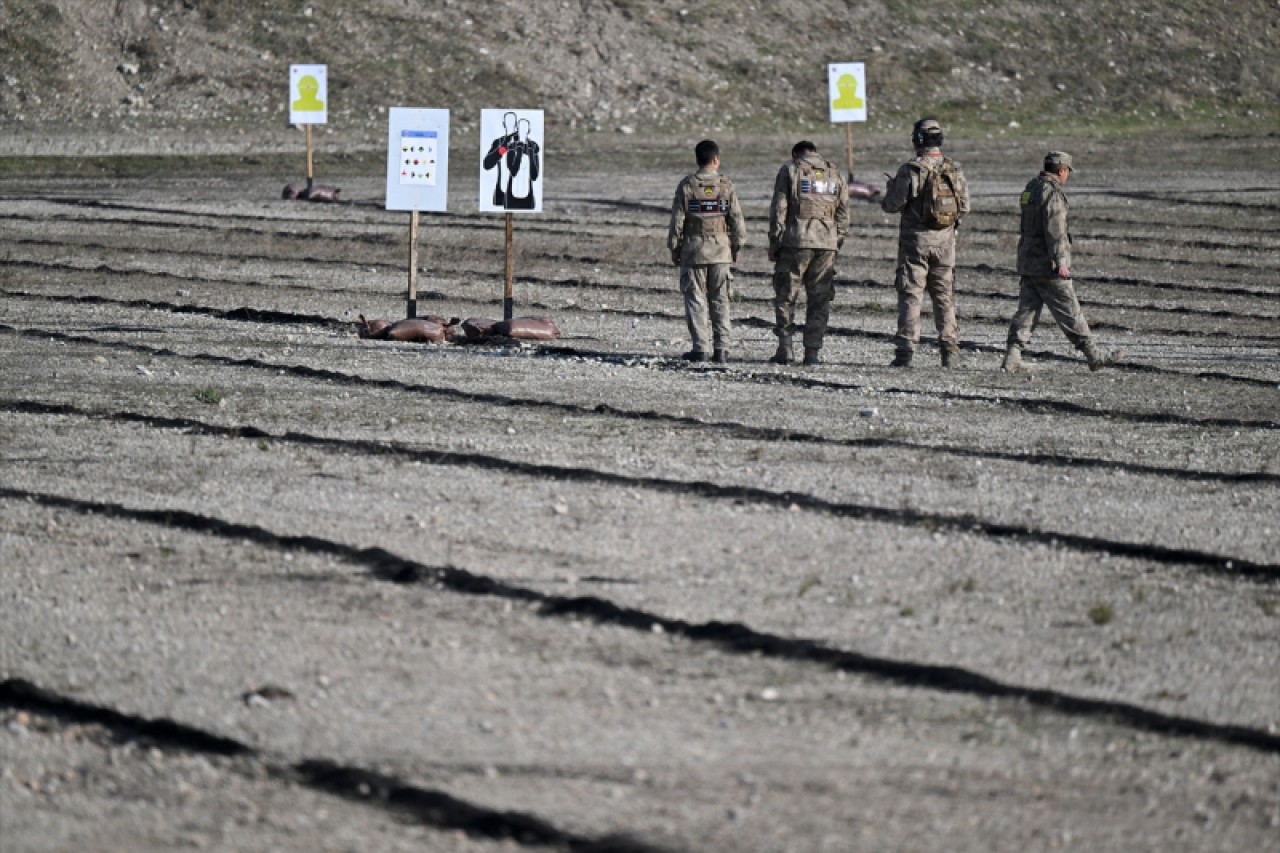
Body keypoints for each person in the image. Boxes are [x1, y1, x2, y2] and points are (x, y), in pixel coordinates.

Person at [1001, 151, 1119, 372]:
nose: (1067, 177)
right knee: (1069, 309)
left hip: (1028, 260)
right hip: (1047, 264)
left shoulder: (1031, 188)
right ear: (1062, 170)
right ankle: (1094, 355)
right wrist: (1061, 261)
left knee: (1027, 310)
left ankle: (1012, 355)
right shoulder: (1052, 194)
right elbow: (1055, 231)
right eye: (1067, 172)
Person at [881, 117, 970, 368]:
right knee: (944, 296)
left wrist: (890, 190)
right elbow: (965, 206)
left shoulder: (911, 169)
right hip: (945, 243)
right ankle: (949, 348)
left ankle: (906, 350)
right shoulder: (954, 169)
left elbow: (892, 205)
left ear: (918, 140)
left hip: (915, 244)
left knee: (911, 294)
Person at [768, 141, 849, 366]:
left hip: (796, 242)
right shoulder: (835, 173)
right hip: (827, 244)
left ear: (795, 154)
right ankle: (812, 353)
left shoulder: (790, 170)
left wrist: (775, 243)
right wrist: (835, 241)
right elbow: (843, 214)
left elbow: (779, 209)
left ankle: (785, 347)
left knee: (786, 295)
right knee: (819, 299)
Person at [666, 139, 746, 364]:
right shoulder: (726, 185)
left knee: (695, 299)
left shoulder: (687, 185)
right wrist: (736, 247)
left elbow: (677, 221)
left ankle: (700, 348)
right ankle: (722, 349)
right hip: (721, 252)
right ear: (716, 159)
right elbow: (737, 221)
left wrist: (674, 248)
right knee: (721, 300)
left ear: (698, 159)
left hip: (694, 252)